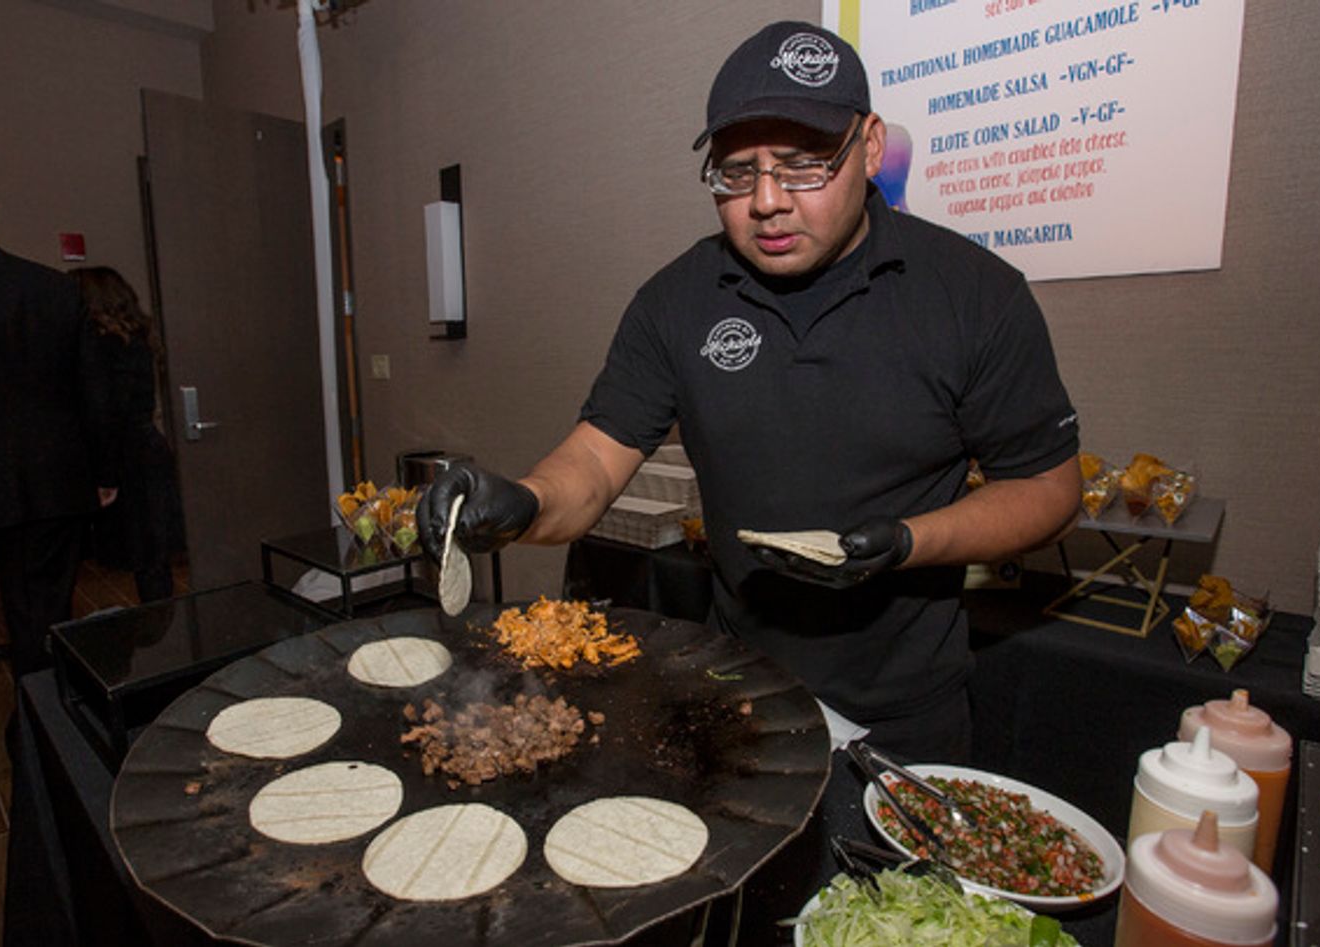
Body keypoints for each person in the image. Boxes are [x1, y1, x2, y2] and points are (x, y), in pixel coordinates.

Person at [418, 21, 1080, 764]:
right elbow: (597, 464)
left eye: (801, 167)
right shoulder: (676, 302)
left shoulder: (974, 295)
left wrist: (906, 544)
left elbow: (1049, 490)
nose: (766, 201)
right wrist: (523, 505)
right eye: (737, 173)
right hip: (739, 690)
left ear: (868, 147)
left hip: (907, 713)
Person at [0, 168, 116, 678]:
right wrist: (104, 472)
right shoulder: (50, 289)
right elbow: (91, 393)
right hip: (45, 479)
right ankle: (38, 745)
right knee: (42, 624)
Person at [70, 266, 183, 603]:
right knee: (153, 559)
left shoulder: (104, 344)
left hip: (130, 459)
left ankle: (160, 637)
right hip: (146, 451)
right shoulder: (138, 337)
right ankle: (164, 635)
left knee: (147, 558)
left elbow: (106, 411)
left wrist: (104, 475)